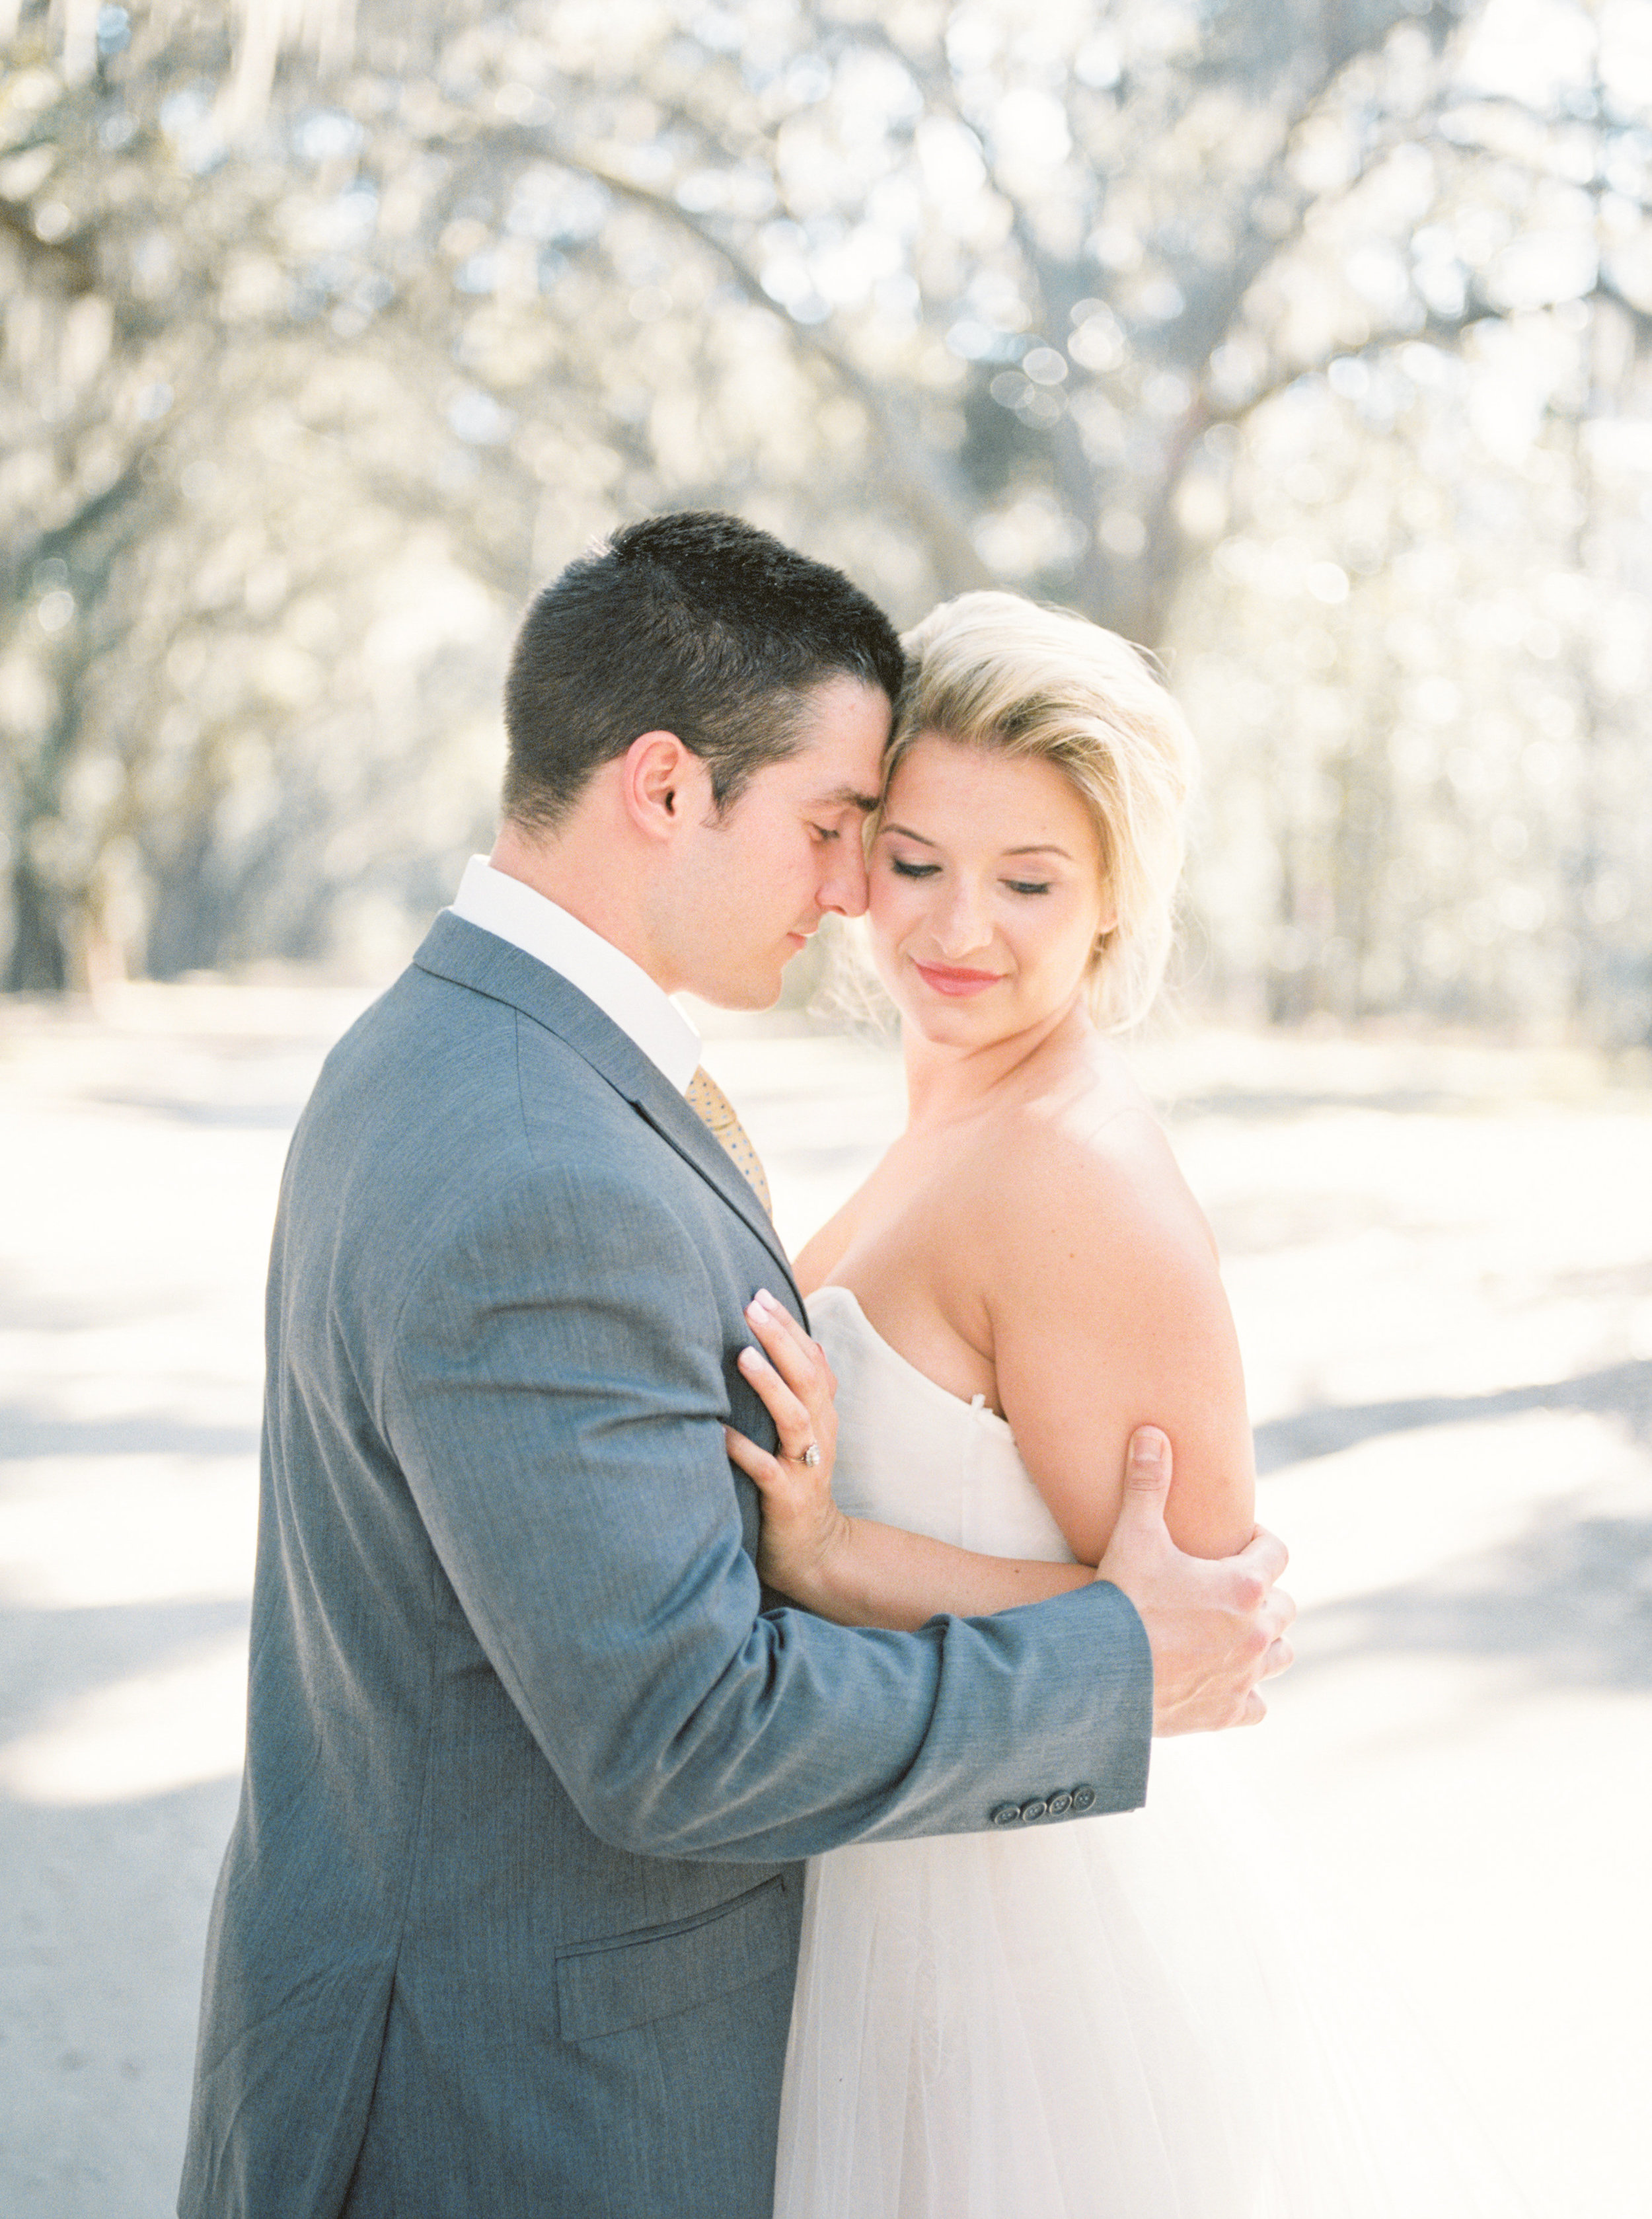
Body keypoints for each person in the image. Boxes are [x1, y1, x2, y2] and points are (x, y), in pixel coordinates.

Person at [178, 516, 1292, 2219]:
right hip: (514, 2103)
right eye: (855, 835)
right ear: (664, 787)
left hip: (939, 1993)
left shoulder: (451, 1046)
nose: (865, 895)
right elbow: (683, 1733)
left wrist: (929, 1584)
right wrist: (1084, 1655)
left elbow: (1203, 1607)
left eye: (1018, 875)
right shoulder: (541, 1154)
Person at [728, 590, 1526, 2219]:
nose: (960, 928)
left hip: (1023, 1956)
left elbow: (1203, 1651)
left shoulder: (1070, 1171)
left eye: (1029, 880)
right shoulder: (954, 1114)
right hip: (904, 1874)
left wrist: (833, 1559)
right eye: (917, 862)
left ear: (1109, 905)